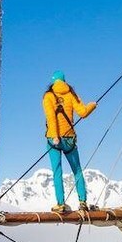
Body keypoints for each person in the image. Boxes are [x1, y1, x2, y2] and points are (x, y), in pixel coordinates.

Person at [43, 72, 96, 212]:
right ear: (64, 81)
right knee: (77, 170)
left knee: (57, 171)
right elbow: (83, 113)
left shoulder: (48, 96)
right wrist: (93, 105)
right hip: (69, 139)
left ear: (53, 82)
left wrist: (54, 136)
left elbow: (51, 118)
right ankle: (83, 202)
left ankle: (60, 204)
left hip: (53, 139)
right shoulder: (71, 94)